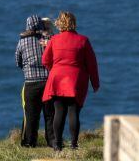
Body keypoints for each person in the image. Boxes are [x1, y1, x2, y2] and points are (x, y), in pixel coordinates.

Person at [42, 11, 100, 151]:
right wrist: (95, 82)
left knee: (59, 112)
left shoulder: (54, 40)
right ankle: (74, 145)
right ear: (74, 23)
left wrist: (54, 69)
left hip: (57, 79)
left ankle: (58, 144)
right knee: (74, 112)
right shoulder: (83, 40)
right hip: (75, 80)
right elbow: (92, 63)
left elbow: (45, 60)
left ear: (59, 23)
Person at [15, 15, 56, 148]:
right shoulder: (49, 39)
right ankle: (53, 142)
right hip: (48, 82)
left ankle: (29, 142)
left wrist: (27, 69)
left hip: (31, 83)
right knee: (50, 114)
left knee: (31, 115)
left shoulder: (22, 42)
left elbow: (18, 62)